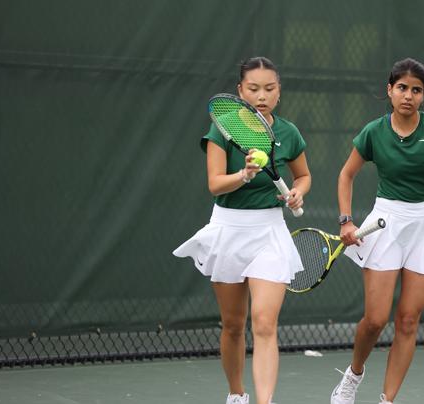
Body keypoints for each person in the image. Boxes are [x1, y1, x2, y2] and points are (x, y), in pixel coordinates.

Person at [331, 58, 424, 404]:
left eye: (416, 90)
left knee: (408, 321)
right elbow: (346, 174)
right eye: (402, 88)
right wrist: (346, 220)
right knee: (375, 320)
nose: (408, 95)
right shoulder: (373, 131)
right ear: (389, 90)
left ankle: (387, 400)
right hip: (386, 222)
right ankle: (354, 374)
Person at [173, 57, 311, 404]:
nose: (261, 95)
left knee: (264, 324)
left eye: (269, 88)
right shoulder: (222, 127)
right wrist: (245, 175)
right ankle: (237, 395)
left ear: (279, 92)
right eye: (253, 89)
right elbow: (215, 185)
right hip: (229, 229)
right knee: (234, 325)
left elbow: (304, 176)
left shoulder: (289, 133)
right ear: (240, 91)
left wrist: (298, 192)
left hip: (269, 232)